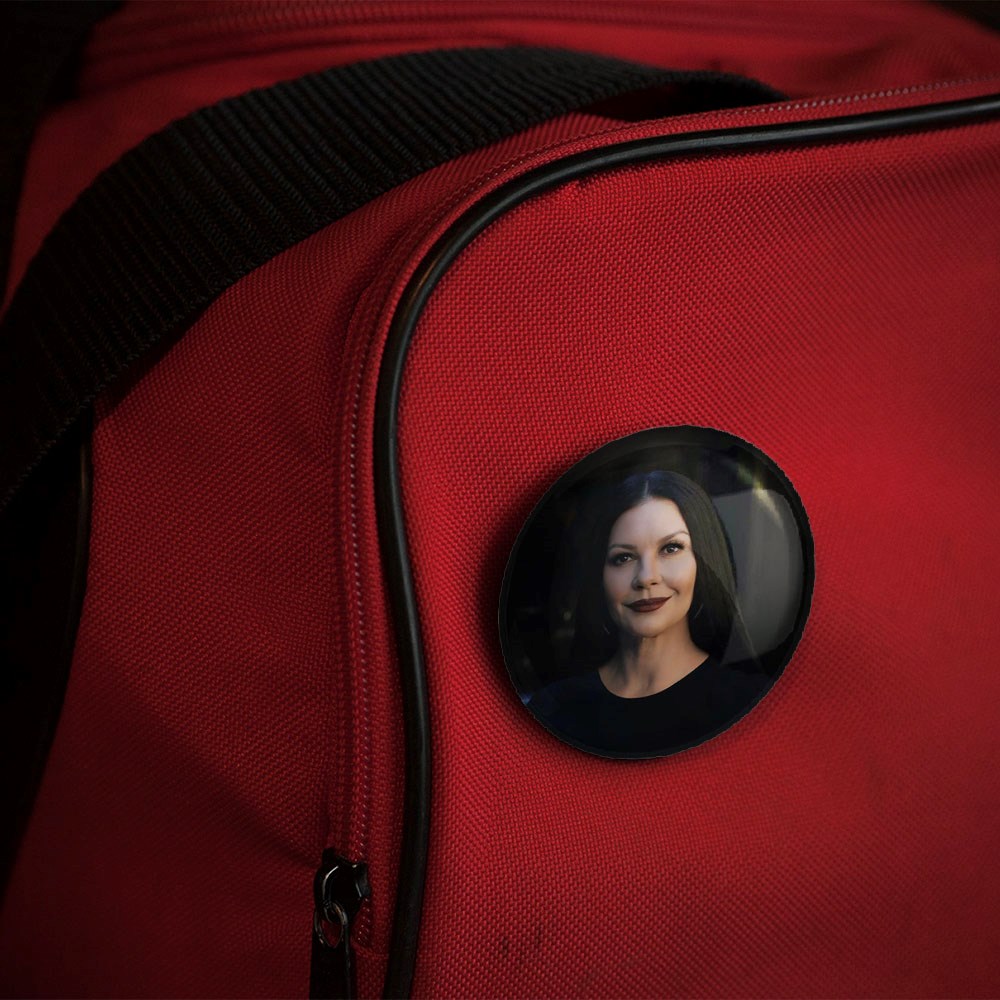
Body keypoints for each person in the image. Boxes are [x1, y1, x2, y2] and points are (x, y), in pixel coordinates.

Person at [532, 470, 768, 756]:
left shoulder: (754, 704)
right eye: (623, 557)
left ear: (704, 562)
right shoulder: (554, 709)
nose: (646, 577)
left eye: (671, 548)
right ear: (600, 577)